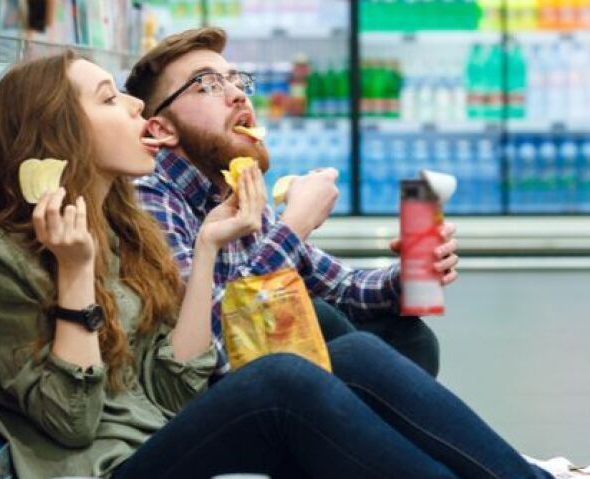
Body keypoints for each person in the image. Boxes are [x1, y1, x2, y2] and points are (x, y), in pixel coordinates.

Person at [0, 51, 571, 479]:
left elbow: (174, 387)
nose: (132, 105)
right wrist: (74, 274)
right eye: (108, 98)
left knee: (356, 348)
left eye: (237, 80)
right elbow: (72, 424)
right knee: (288, 377)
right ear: (59, 131)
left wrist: (207, 251)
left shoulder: (122, 227)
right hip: (100, 466)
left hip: (165, 432)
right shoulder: (4, 253)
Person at [125, 27, 458, 378]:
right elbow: (209, 351)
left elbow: (342, 287)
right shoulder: (150, 198)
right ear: (161, 129)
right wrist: (294, 226)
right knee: (321, 318)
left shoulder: (233, 188)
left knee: (409, 338)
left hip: (270, 379)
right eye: (208, 84)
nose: (238, 95)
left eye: (236, 81)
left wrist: (407, 274)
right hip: (213, 399)